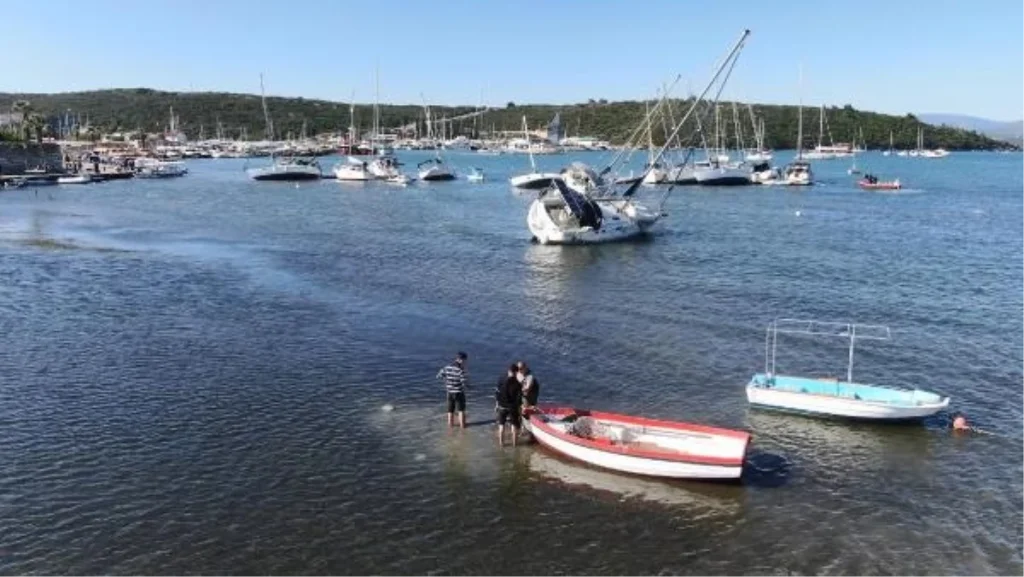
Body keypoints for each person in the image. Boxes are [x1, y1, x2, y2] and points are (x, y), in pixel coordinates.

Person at [437, 352, 469, 428]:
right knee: (461, 410)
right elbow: (464, 382)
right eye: (464, 360)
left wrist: (447, 380)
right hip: (459, 392)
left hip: (449, 392)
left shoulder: (447, 367)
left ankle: (450, 426)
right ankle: (462, 427)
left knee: (450, 410)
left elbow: (439, 376)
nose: (465, 362)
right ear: (461, 360)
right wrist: (468, 386)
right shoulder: (461, 370)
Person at [494, 364, 522, 446]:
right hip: (512, 407)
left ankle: (501, 444)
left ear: (509, 371)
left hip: (502, 405)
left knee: (501, 425)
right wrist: (519, 408)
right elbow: (519, 398)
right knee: (514, 425)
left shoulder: (501, 379)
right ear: (517, 372)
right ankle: (514, 445)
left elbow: (497, 393)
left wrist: (496, 404)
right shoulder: (517, 383)